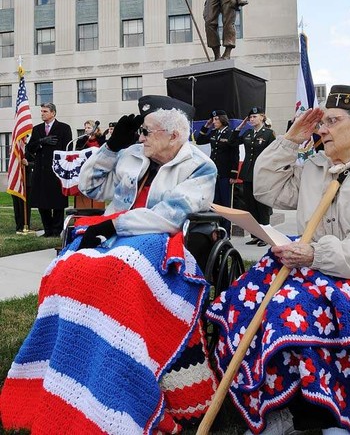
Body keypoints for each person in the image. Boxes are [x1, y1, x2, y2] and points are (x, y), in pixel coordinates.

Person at [0, 96, 219, 434]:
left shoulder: (200, 165)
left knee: (120, 272)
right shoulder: (132, 155)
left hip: (162, 240)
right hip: (114, 236)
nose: (140, 136)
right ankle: (64, 363)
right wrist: (110, 150)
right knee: (64, 270)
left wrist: (113, 226)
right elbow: (87, 186)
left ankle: (114, 361)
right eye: (140, 131)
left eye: (147, 131)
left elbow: (171, 215)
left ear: (174, 135)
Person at [206, 85, 350, 435]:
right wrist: (290, 139)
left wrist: (318, 254)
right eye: (322, 122)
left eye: (332, 121)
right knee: (241, 301)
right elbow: (266, 188)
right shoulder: (317, 167)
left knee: (286, 310)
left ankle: (333, 412)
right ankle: (275, 404)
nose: (322, 129)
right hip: (311, 273)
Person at [229, 106, 275, 245]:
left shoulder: (268, 134)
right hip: (248, 174)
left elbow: (274, 154)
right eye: (250, 117)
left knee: (262, 206)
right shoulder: (248, 133)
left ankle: (266, 236)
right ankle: (256, 235)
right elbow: (232, 142)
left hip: (262, 173)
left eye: (254, 117)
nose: (251, 119)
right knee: (250, 205)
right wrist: (239, 127)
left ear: (262, 117)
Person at [26, 102, 72, 237]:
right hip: (40, 170)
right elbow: (30, 149)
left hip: (56, 170)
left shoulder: (64, 128)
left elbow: (68, 149)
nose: (42, 114)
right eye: (41, 111)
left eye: (45, 111)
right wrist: (41, 141)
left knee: (57, 202)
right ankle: (48, 230)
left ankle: (57, 230)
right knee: (42, 202)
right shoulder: (37, 129)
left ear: (53, 113)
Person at [196, 109, 239, 233]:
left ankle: (226, 230)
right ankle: (217, 229)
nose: (214, 122)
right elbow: (200, 140)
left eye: (216, 119)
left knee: (225, 204)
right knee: (216, 202)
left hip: (226, 172)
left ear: (222, 119)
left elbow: (234, 154)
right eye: (213, 119)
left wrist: (233, 173)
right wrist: (206, 126)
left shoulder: (231, 133)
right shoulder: (214, 133)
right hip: (215, 173)